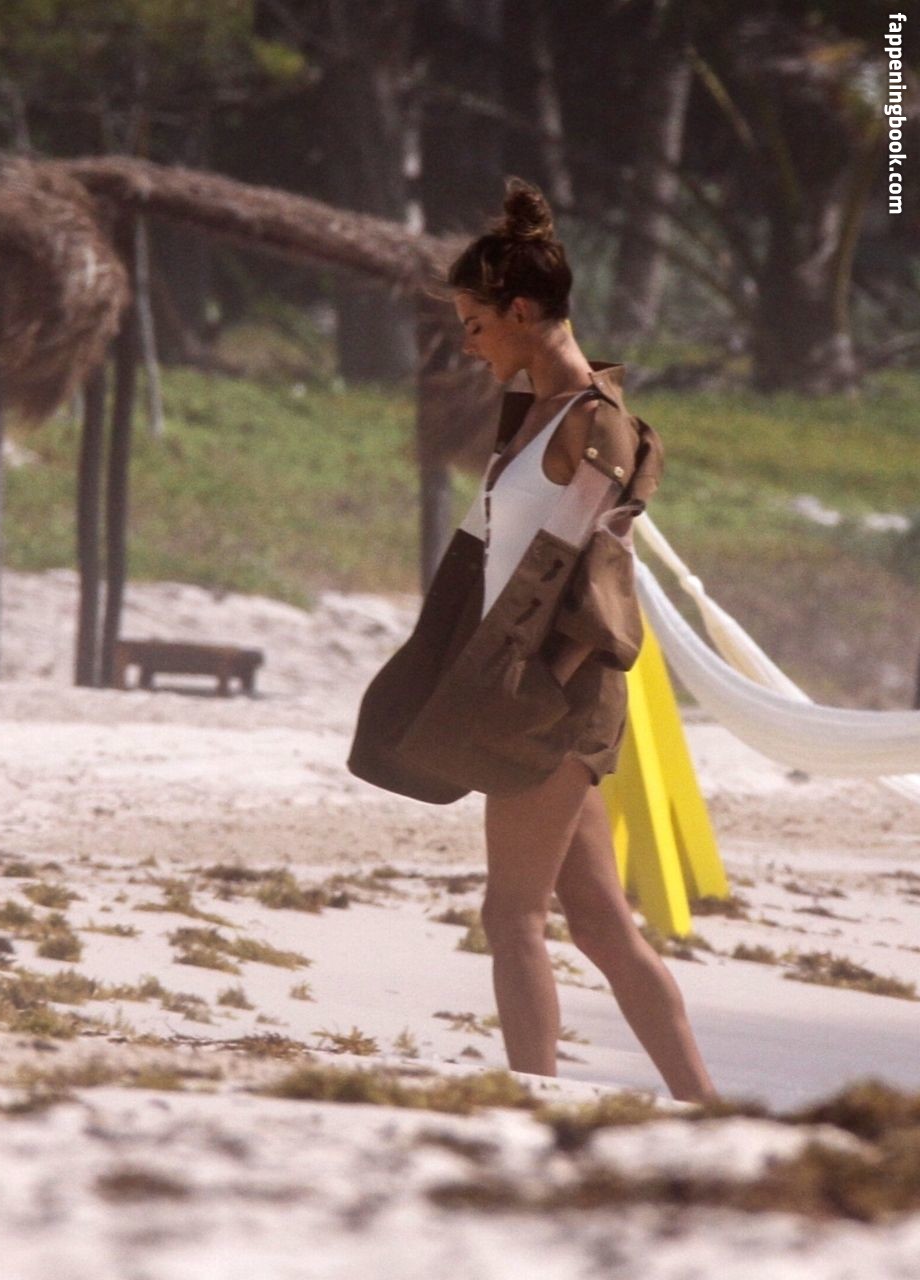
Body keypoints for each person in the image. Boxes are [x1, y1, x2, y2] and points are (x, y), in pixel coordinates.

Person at [349, 179, 715, 1102]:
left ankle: (533, 1102)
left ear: (520, 311)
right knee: (597, 922)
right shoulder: (541, 417)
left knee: (511, 914)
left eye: (476, 324)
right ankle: (706, 1107)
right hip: (537, 691)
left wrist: (533, 690)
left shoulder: (597, 427)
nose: (469, 343)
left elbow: (599, 583)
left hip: (555, 697)